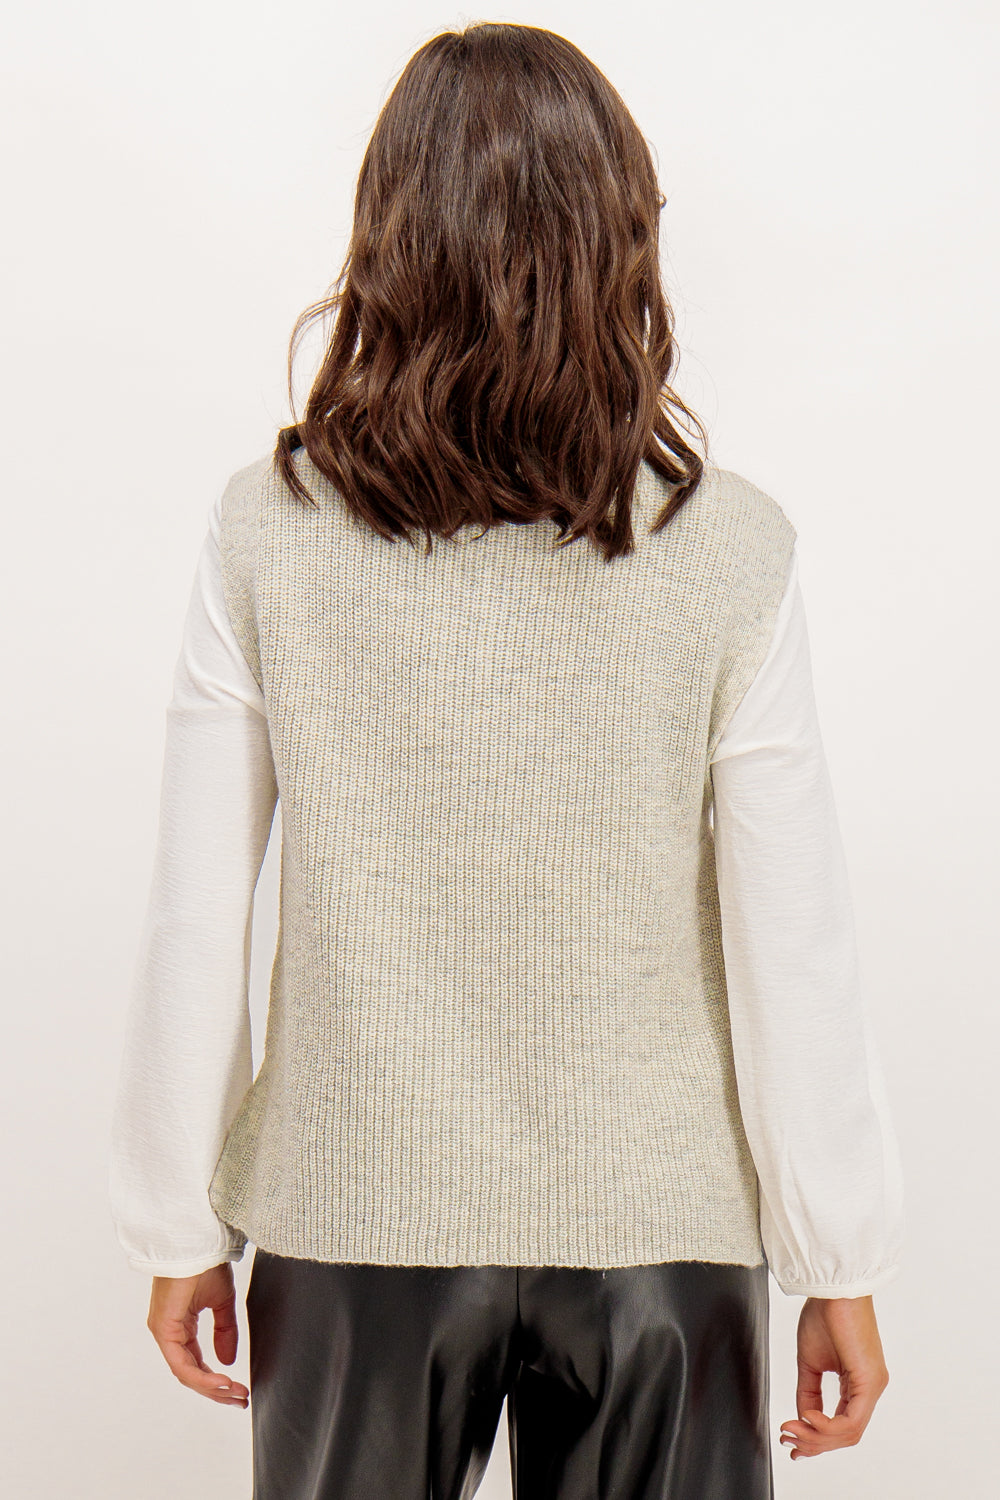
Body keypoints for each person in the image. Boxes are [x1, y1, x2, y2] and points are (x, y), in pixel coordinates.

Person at [108, 21, 903, 1498]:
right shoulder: (729, 545)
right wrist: (837, 1258)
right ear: (621, 243)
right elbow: (796, 938)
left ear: (387, 244)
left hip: (356, 1218)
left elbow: (195, 907)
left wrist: (176, 1224)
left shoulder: (268, 532)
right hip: (662, 1235)